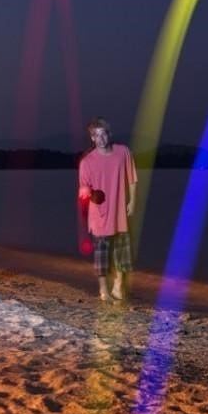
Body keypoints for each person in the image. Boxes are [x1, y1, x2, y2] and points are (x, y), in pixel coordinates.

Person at [78, 117, 137, 302]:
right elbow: (83, 189)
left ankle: (119, 287)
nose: (100, 138)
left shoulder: (123, 152)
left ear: (108, 134)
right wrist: (88, 193)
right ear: (92, 138)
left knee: (122, 254)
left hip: (120, 212)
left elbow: (132, 179)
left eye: (103, 133)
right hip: (99, 215)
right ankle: (104, 291)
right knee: (102, 256)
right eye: (96, 135)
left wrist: (132, 201)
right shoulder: (87, 162)